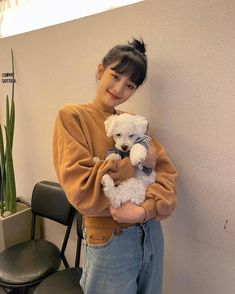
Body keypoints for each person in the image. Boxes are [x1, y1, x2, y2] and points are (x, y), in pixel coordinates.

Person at [53, 38, 178, 294]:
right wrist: (137, 163)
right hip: (111, 238)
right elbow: (82, 188)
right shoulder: (73, 116)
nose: (119, 88)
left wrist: (147, 210)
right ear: (101, 70)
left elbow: (165, 173)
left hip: (151, 233)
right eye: (115, 75)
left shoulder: (133, 123)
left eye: (130, 85)